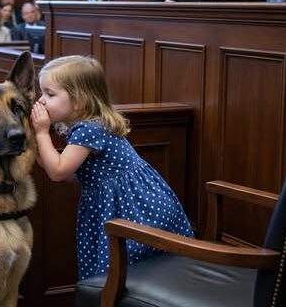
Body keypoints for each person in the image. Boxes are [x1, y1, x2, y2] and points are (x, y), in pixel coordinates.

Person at [30, 55, 193, 280]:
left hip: (133, 209)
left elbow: (58, 172)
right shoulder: (90, 125)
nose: (41, 101)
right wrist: (36, 151)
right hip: (124, 202)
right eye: (42, 93)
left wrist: (41, 133)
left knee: (125, 270)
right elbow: (71, 175)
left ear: (78, 101)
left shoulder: (89, 130)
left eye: (50, 94)